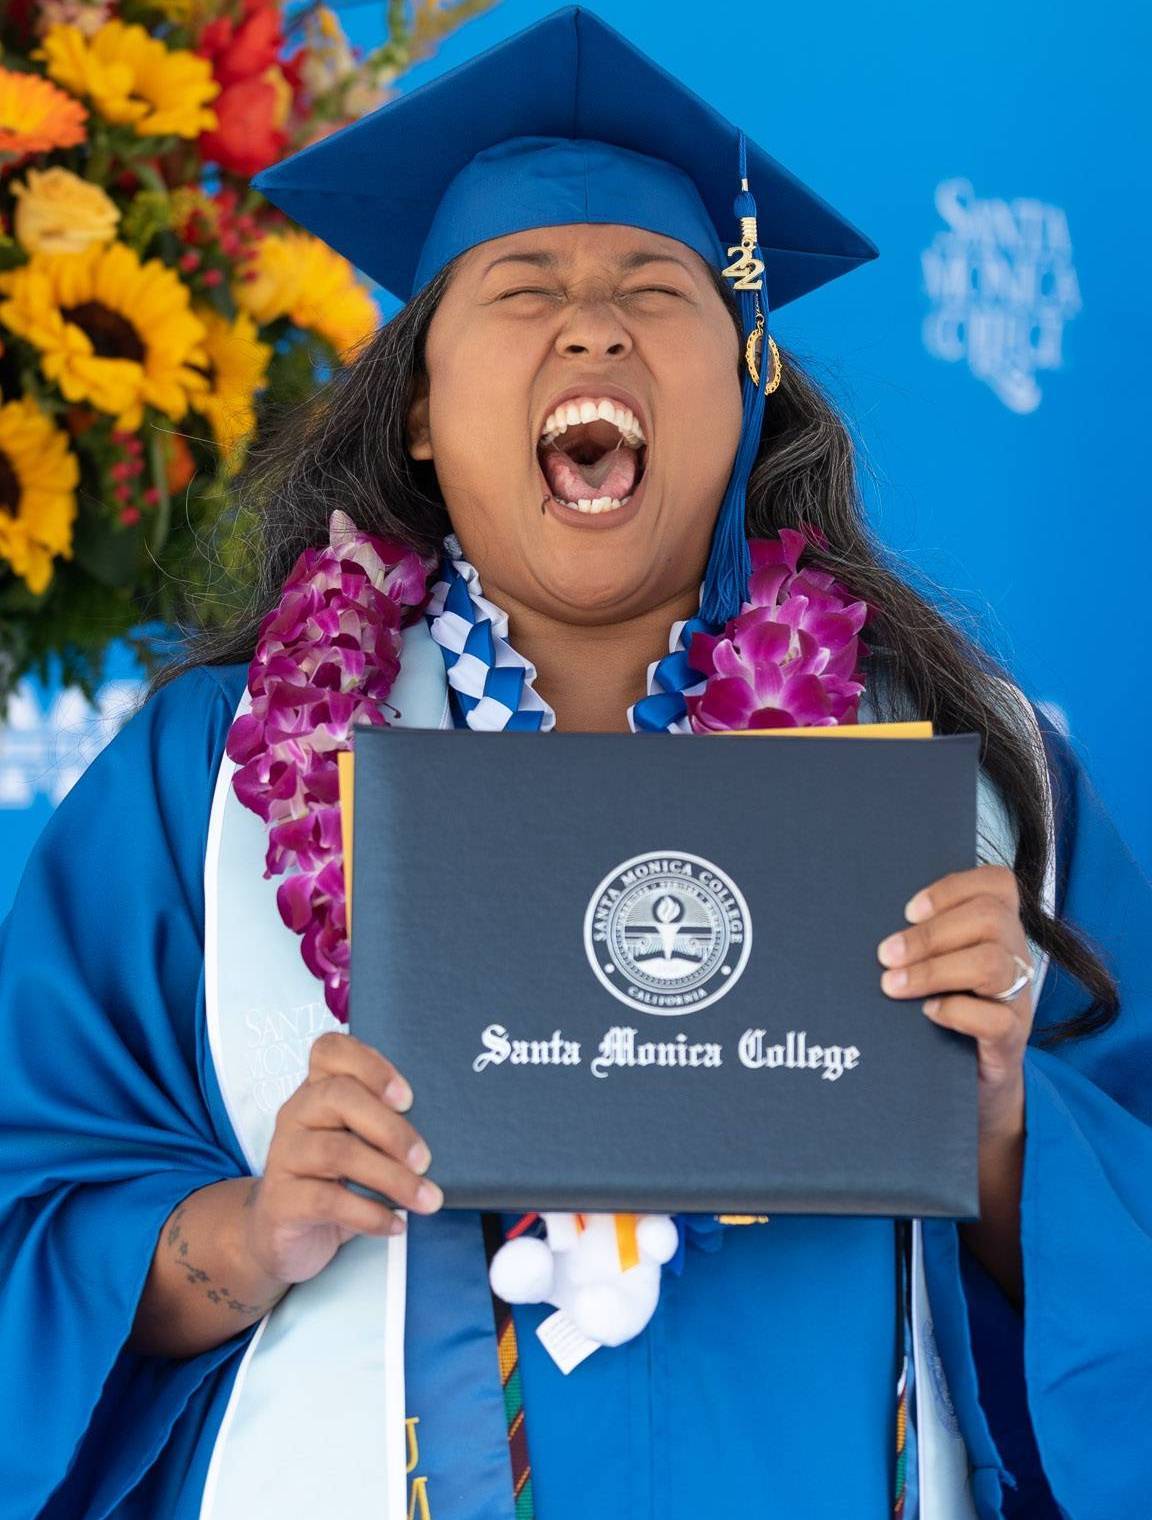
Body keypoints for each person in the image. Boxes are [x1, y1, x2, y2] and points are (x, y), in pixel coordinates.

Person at [1, 7, 1149, 1518]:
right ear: (417, 407)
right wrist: (240, 1235)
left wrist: (1000, 1128)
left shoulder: (971, 775)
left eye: (657, 291)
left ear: (747, 387)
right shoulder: (203, 784)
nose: (592, 327)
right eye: (523, 287)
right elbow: (30, 1219)